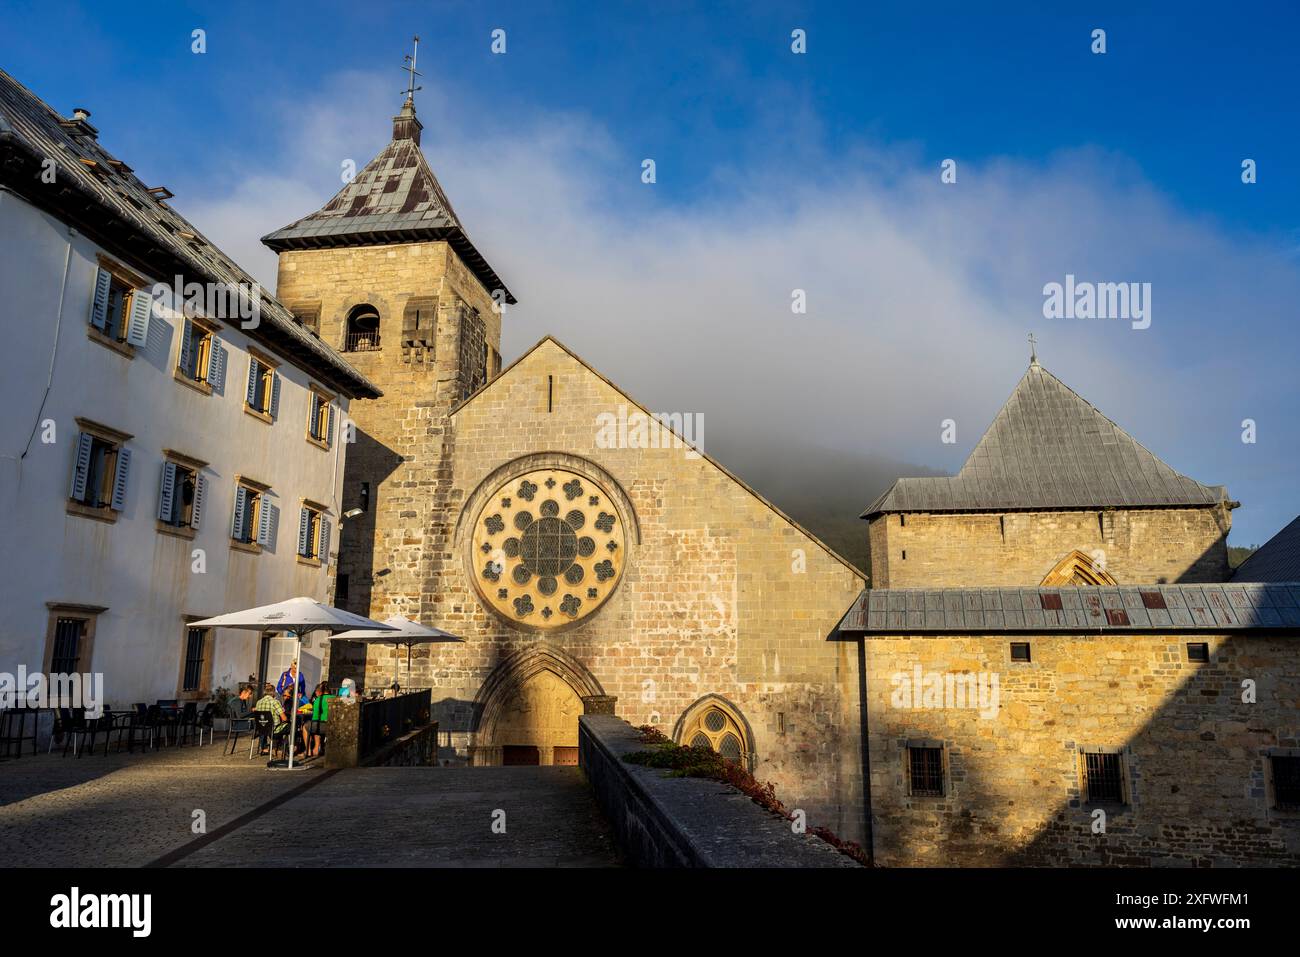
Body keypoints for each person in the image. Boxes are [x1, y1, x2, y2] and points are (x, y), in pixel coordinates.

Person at [253, 682, 287, 756]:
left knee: (270, 726)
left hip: (261, 728)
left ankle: (265, 748)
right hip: (273, 729)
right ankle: (279, 748)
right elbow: (284, 718)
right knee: (287, 727)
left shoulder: (258, 702)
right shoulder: (275, 702)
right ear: (273, 693)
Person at [308, 682, 333, 758]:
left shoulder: (318, 699)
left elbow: (315, 717)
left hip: (321, 726)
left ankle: (311, 749)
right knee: (317, 725)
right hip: (332, 726)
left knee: (307, 727)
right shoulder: (335, 698)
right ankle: (321, 748)